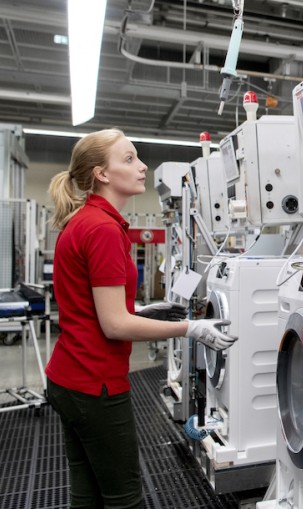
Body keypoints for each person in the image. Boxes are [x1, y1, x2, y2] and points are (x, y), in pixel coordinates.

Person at [45, 128, 236, 509]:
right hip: (96, 384)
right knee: (124, 499)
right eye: (129, 159)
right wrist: (191, 328)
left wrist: (141, 312)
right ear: (101, 174)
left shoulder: (84, 221)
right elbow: (114, 326)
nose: (142, 166)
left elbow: (90, 308)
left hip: (67, 378)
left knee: (87, 494)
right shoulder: (103, 229)